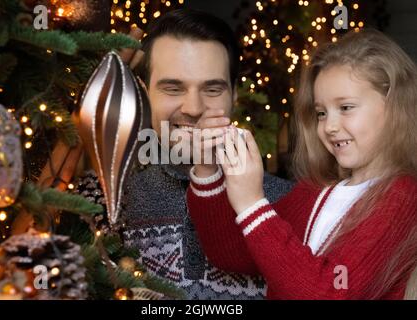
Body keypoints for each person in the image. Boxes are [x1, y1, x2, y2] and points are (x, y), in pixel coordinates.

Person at [186, 29, 417, 299]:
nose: (329, 126)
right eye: (321, 113)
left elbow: (329, 292)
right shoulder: (316, 191)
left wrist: (252, 204)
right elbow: (233, 254)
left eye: (346, 108)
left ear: (395, 106)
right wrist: (207, 169)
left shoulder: (403, 197)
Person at [83, 9, 292, 299]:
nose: (193, 108)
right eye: (173, 88)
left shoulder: (289, 203)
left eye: (212, 89)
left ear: (234, 96)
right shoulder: (99, 199)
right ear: (144, 93)